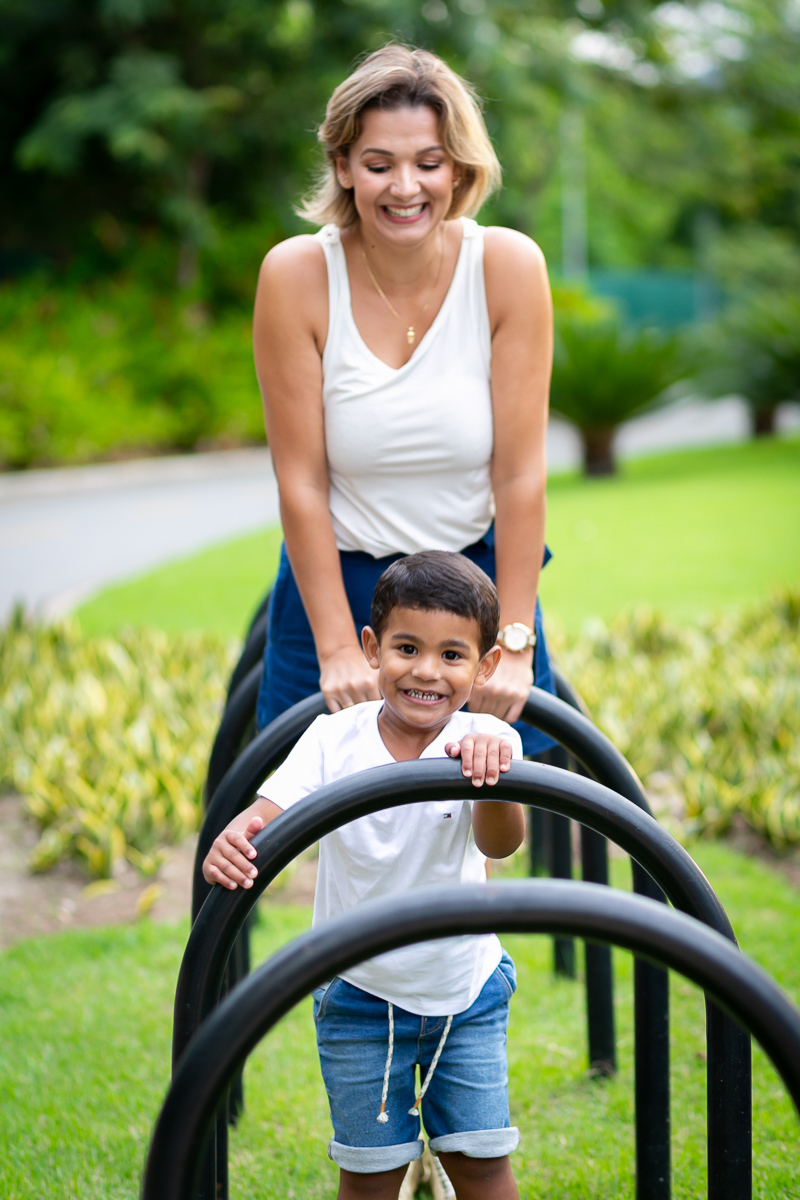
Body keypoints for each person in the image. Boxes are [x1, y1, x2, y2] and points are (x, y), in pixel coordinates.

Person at [253, 43, 556, 757]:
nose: (405, 187)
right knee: (306, 795)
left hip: (475, 591)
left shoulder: (507, 267)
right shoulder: (297, 275)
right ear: (343, 166)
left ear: (459, 169)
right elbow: (301, 481)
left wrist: (514, 643)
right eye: (379, 164)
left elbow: (520, 476)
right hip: (340, 583)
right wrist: (338, 647)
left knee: (493, 788)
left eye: (428, 162)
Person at [204, 551, 525, 1200]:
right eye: (407, 648)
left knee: (482, 1163)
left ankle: (443, 1164)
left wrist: (492, 779)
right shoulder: (332, 740)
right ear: (372, 648)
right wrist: (232, 840)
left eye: (452, 655)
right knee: (370, 1175)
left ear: (486, 665)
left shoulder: (487, 740)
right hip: (358, 993)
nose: (427, 671)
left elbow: (501, 843)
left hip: (464, 991)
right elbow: (264, 820)